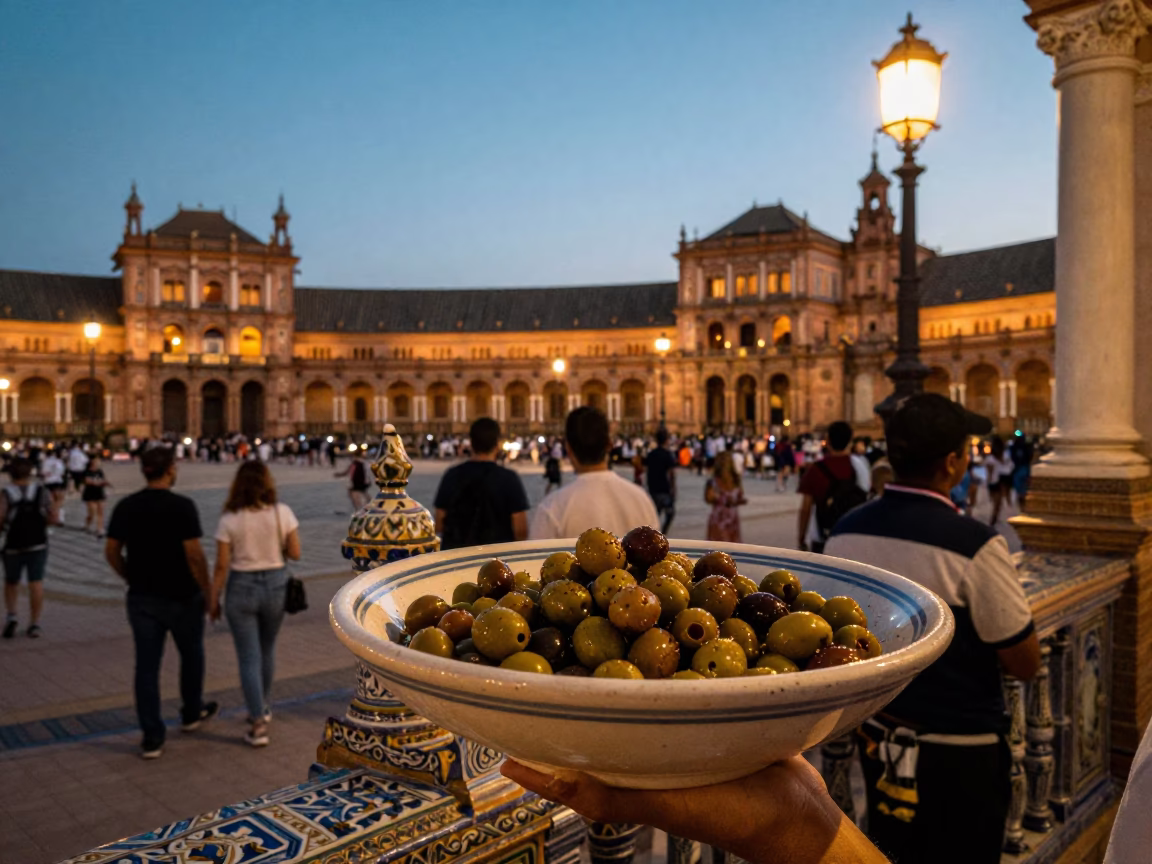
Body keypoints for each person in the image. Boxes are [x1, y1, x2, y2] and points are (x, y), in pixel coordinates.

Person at [825, 393, 1040, 864]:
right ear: (953, 463)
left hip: (879, 740)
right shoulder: (976, 546)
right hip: (961, 751)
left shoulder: (845, 532)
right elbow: (1024, 662)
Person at [104, 447, 218, 759]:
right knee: (192, 655)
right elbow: (194, 555)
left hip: (142, 597)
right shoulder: (181, 506)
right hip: (183, 596)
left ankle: (152, 736)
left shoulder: (127, 506)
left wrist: (128, 574)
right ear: (170, 470)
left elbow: (112, 550)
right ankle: (192, 712)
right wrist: (208, 590)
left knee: (146, 667)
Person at [209, 461, 301, 747]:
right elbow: (295, 553)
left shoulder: (230, 518)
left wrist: (213, 599)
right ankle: (264, 706)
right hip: (275, 586)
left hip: (241, 588)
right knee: (267, 649)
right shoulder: (281, 513)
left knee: (248, 656)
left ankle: (257, 720)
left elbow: (222, 565)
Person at [529, 407, 659, 540]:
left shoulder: (553, 508)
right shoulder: (641, 500)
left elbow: (534, 557)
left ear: (568, 449)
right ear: (609, 445)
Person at [433, 418, 530, 550]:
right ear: (497, 444)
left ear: (471, 443)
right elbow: (520, 529)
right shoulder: (509, 479)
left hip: (457, 557)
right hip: (497, 559)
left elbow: (439, 523)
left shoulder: (451, 475)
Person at [1, 458, 59, 639]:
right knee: (36, 582)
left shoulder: (5, 493)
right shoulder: (41, 491)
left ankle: (12, 615)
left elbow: (0, 517)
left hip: (13, 544)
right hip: (38, 542)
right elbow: (53, 518)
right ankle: (34, 624)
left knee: (11, 582)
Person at [796, 421, 867, 553]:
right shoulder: (860, 465)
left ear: (827, 441)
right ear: (850, 442)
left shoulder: (815, 469)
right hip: (854, 535)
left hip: (823, 537)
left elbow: (805, 508)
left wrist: (801, 539)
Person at [705, 450, 747, 543]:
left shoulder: (713, 481)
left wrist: (719, 498)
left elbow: (708, 498)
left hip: (719, 517)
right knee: (731, 547)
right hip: (731, 516)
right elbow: (740, 497)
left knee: (718, 547)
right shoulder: (735, 479)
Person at [644, 428, 678, 534]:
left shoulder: (651, 454)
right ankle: (663, 533)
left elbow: (646, 470)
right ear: (667, 440)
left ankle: (655, 534)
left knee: (655, 514)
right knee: (670, 513)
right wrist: (673, 489)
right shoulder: (668, 455)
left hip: (653, 488)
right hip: (664, 489)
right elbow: (672, 474)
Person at [983, 435, 1014, 527]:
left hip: (994, 481)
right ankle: (994, 518)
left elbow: (989, 473)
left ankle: (993, 519)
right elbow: (1010, 466)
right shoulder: (1005, 455)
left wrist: (988, 482)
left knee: (995, 501)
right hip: (1002, 479)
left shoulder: (990, 458)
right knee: (998, 502)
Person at [82, 455, 110, 537]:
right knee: (92, 513)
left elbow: (103, 479)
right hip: (90, 493)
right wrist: (97, 483)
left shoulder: (100, 471)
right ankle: (87, 524)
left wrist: (105, 483)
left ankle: (100, 528)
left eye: (99, 461)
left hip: (99, 493)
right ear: (92, 462)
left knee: (100, 511)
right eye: (97, 461)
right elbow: (87, 481)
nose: (98, 463)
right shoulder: (87, 471)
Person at [39, 448, 66, 513]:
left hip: (48, 481)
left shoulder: (45, 461)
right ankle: (54, 510)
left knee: (53, 497)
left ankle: (53, 509)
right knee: (58, 497)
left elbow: (43, 472)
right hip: (55, 481)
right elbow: (61, 472)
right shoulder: (58, 461)